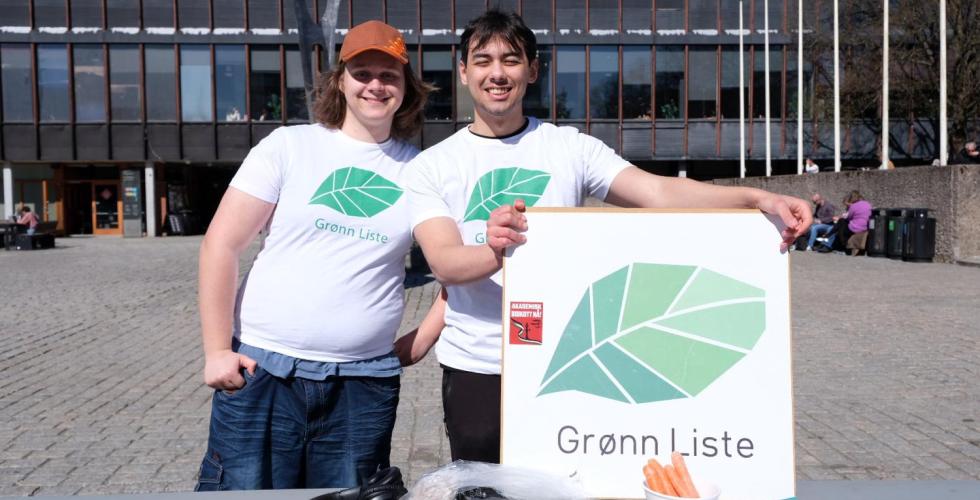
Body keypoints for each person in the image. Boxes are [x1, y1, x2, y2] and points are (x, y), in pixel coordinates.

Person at [403, 9, 813, 464]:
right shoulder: (432, 166)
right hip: (478, 364)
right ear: (463, 71)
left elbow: (658, 191)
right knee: (479, 488)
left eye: (511, 59)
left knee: (562, 486)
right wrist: (495, 250)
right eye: (483, 60)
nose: (497, 73)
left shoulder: (570, 148)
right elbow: (444, 262)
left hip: (565, 355)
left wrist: (757, 198)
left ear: (532, 70)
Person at [195, 20, 438, 491]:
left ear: (407, 88)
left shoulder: (422, 170)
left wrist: (422, 339)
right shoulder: (290, 146)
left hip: (362, 386)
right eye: (362, 72)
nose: (375, 85)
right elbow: (220, 244)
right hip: (264, 373)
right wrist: (217, 350)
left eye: (388, 76)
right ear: (340, 81)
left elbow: (454, 266)